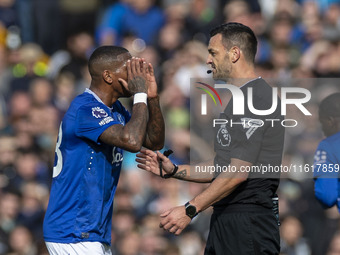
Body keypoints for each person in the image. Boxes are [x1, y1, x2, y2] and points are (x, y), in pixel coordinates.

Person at [136, 22, 283, 254]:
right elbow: (222, 166)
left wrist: (190, 209)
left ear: (234, 54)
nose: (208, 60)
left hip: (248, 224)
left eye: (213, 52)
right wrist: (175, 170)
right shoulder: (239, 99)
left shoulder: (256, 99)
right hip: (227, 219)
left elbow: (237, 172)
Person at [43, 46, 164, 254]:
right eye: (129, 69)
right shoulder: (85, 109)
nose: (136, 75)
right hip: (73, 229)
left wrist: (151, 98)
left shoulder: (115, 109)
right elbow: (132, 141)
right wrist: (140, 96)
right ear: (108, 76)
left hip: (91, 231)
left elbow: (154, 141)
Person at [313, 92, 340, 211]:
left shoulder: (328, 146)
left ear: (330, 120)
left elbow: (327, 195)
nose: (323, 129)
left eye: (322, 123)